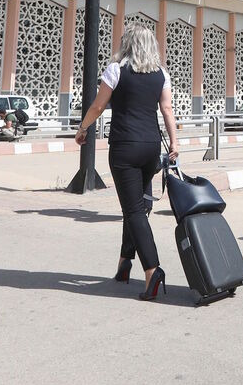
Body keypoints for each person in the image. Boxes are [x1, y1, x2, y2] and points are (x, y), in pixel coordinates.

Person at [74, 26, 179, 301]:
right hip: (151, 148)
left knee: (132, 210)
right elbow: (167, 109)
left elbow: (98, 106)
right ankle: (124, 263)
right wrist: (175, 143)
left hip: (124, 148)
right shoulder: (162, 73)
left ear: (127, 45)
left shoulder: (116, 70)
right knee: (136, 207)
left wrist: (82, 128)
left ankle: (152, 270)